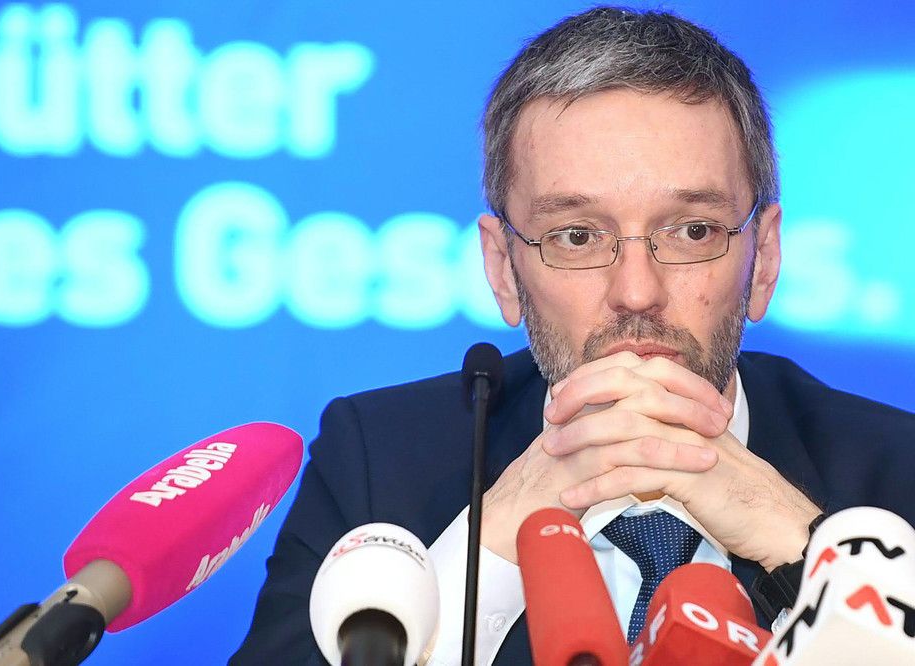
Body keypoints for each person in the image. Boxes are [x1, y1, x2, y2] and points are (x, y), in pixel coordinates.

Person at [230, 7, 915, 665]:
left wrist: (805, 551)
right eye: (578, 236)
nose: (637, 292)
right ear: (503, 269)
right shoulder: (377, 465)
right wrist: (489, 551)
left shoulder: (897, 472)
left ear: (763, 258)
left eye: (693, 230)